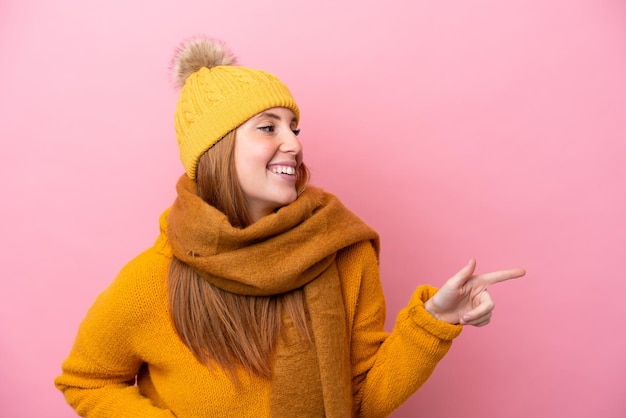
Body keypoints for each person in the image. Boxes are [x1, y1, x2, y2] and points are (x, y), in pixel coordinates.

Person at [55, 36, 525, 418]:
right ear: (215, 150)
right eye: (268, 127)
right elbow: (86, 380)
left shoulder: (341, 250)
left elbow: (359, 399)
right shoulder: (153, 278)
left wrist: (434, 322)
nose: (293, 144)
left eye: (294, 127)